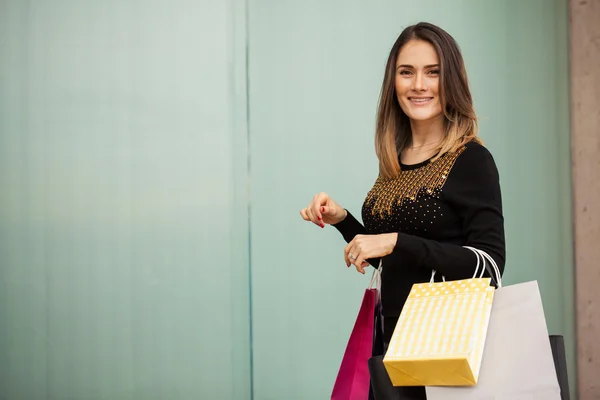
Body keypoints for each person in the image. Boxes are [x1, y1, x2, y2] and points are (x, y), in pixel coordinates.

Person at [300, 22, 505, 399]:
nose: (419, 85)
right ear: (393, 82)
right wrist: (344, 222)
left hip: (445, 355)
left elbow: (489, 266)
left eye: (433, 72)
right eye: (406, 72)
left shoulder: (471, 160)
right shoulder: (395, 160)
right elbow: (402, 264)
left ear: (452, 81)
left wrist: (396, 241)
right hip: (393, 347)